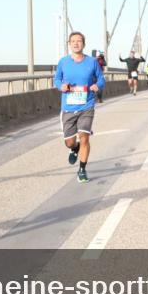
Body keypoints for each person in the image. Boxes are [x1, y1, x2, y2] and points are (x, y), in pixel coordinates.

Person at [54, 31, 105, 183]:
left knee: (84, 137)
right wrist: (61, 86)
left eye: (79, 41)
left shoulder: (92, 62)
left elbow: (101, 78)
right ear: (69, 44)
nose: (76, 43)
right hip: (68, 107)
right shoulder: (63, 62)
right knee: (69, 141)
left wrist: (97, 85)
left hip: (87, 105)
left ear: (84, 44)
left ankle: (82, 169)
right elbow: (57, 79)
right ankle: (74, 148)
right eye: (73, 41)